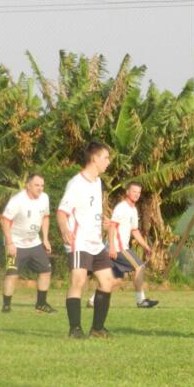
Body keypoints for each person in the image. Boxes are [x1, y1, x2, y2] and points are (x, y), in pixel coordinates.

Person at [57, 141, 116, 339]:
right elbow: (61, 212)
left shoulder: (98, 182)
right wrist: (65, 228)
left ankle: (97, 328)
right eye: (106, 157)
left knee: (107, 281)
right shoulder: (76, 183)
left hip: (95, 243)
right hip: (79, 242)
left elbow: (89, 210)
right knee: (79, 281)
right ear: (95, 158)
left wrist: (103, 222)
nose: (108, 162)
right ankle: (75, 329)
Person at [87, 182, 158, 308]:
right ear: (127, 192)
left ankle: (93, 300)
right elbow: (112, 226)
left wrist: (145, 246)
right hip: (119, 248)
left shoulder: (133, 210)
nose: (136, 194)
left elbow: (134, 231)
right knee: (139, 266)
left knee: (116, 279)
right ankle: (141, 300)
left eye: (138, 192)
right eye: (134, 191)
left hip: (118, 248)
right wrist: (113, 247)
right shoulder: (122, 207)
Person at [0, 174, 55, 314]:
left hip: (35, 243)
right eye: (37, 185)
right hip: (16, 243)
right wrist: (10, 242)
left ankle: (41, 304)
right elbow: (5, 221)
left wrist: (46, 239)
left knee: (46, 271)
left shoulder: (44, 198)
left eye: (42, 185)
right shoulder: (17, 200)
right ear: (28, 185)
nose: (40, 188)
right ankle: (6, 306)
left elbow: (45, 218)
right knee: (12, 274)